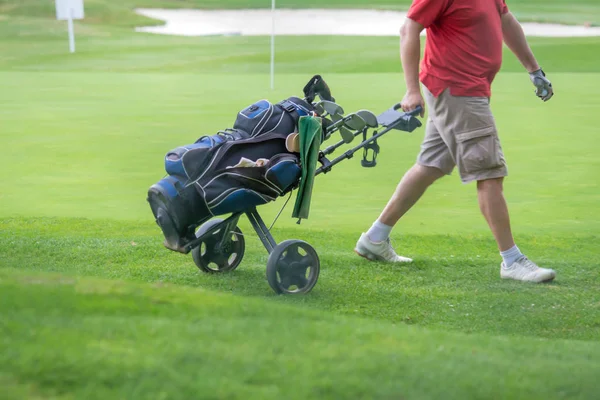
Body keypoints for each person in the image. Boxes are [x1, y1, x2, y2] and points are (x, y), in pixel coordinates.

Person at [354, 0, 556, 283]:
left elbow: (506, 22)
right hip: (458, 90)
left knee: (431, 165)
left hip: (463, 89)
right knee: (489, 173)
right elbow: (408, 29)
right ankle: (512, 261)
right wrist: (411, 90)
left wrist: (534, 69)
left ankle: (375, 237)